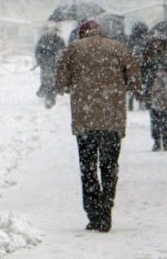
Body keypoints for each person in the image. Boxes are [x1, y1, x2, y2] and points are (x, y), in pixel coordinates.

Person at [55, 19, 142, 233]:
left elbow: (61, 83)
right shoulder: (118, 48)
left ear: (82, 34)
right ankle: (107, 208)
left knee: (88, 166)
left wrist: (77, 86)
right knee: (110, 165)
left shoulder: (72, 50)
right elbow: (135, 81)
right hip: (112, 119)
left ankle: (93, 211)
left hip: (85, 120)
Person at [138, 30, 167, 151]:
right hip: (154, 89)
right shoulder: (148, 55)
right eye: (155, 43)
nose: (157, 45)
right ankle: (156, 140)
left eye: (160, 43)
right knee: (154, 116)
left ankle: (165, 139)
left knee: (166, 116)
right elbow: (143, 70)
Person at [35, 23, 66, 108]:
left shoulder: (59, 40)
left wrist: (62, 61)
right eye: (49, 31)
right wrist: (39, 61)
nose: (51, 32)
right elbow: (37, 51)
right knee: (47, 80)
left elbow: (64, 52)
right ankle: (46, 93)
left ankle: (49, 98)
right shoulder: (43, 40)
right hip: (46, 64)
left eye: (53, 31)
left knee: (52, 82)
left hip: (55, 65)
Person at [127, 22, 149, 111]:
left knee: (132, 84)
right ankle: (141, 102)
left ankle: (131, 102)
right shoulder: (146, 39)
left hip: (132, 65)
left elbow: (127, 50)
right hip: (143, 65)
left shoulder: (130, 39)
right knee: (143, 83)